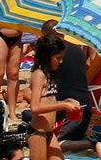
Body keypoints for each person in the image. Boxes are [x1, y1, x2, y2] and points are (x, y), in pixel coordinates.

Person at [26, 32, 82, 160]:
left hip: (49, 132)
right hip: (38, 133)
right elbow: (34, 108)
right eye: (58, 57)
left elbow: (48, 100)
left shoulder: (49, 74)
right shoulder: (39, 74)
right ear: (47, 56)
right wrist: (63, 105)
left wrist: (66, 101)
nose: (61, 61)